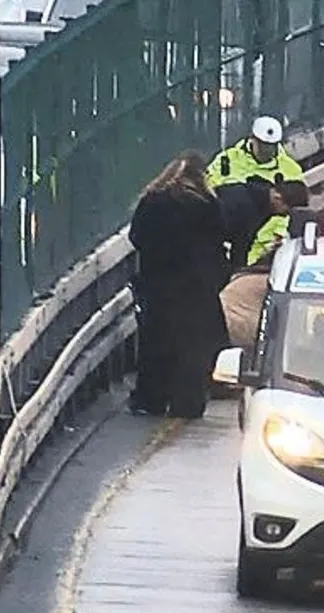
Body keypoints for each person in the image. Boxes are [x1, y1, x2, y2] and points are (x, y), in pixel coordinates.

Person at [127, 150, 230, 419]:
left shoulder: (153, 200)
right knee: (193, 347)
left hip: (158, 284)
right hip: (197, 288)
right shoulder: (207, 203)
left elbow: (136, 236)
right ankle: (188, 403)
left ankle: (152, 399)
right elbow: (219, 240)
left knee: (156, 343)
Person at [206, 115, 307, 265]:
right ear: (252, 139)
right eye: (263, 145)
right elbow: (209, 189)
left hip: (268, 247)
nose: (267, 150)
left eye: (271, 146)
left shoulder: (290, 169)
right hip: (226, 242)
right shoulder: (227, 160)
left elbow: (294, 205)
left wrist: (279, 237)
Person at [215, 175, 286, 272]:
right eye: (284, 211)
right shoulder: (250, 209)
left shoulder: (261, 201)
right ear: (278, 198)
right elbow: (241, 242)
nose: (283, 215)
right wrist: (238, 271)